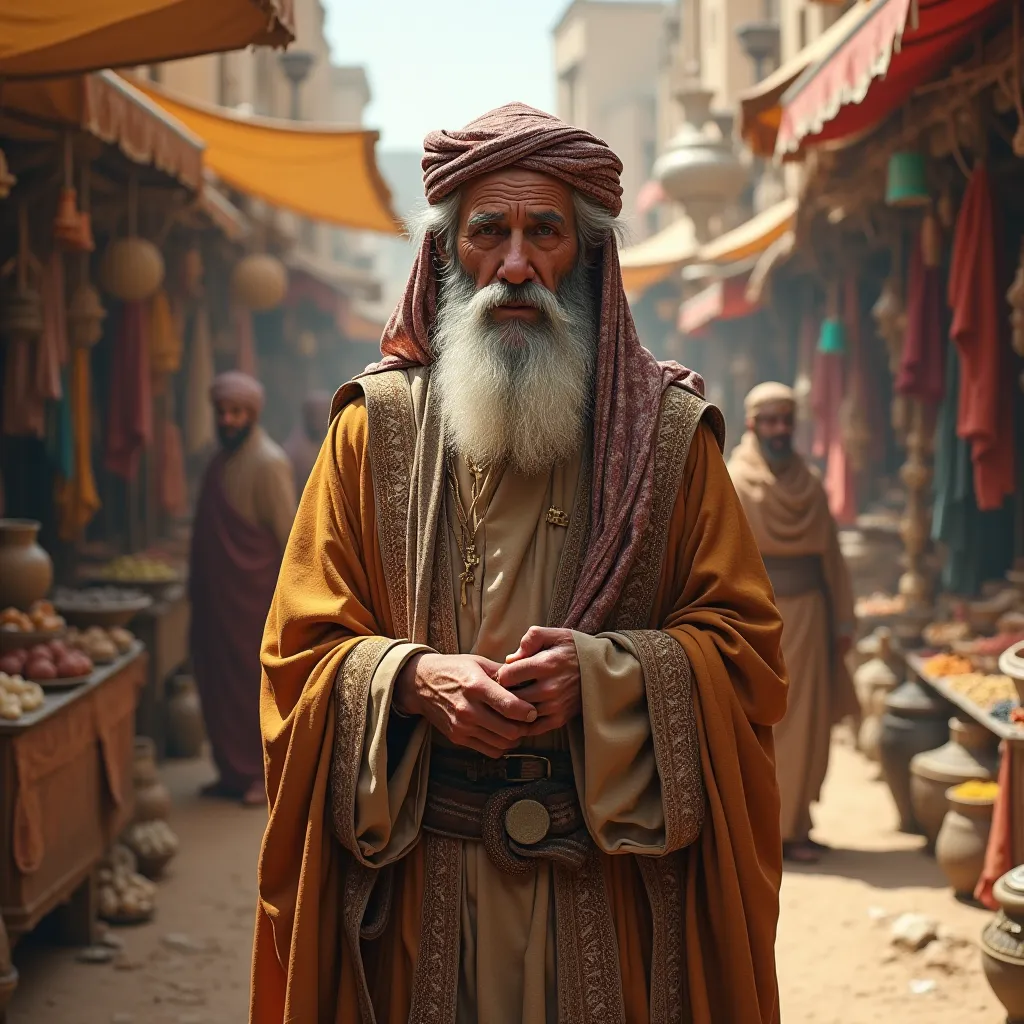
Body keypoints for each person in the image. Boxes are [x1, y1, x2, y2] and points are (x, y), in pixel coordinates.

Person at [252, 104, 788, 1024]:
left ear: (589, 257)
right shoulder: (367, 435)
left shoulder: (669, 442)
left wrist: (607, 677)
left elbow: (747, 656)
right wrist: (411, 677)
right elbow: (299, 653)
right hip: (424, 887)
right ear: (445, 256)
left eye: (545, 232)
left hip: (613, 895)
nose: (514, 265)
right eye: (487, 232)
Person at [728, 382, 858, 864]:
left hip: (813, 617)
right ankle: (766, 832)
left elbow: (832, 558)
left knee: (809, 726)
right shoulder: (735, 481)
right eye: (770, 421)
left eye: (787, 419)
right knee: (769, 724)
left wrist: (844, 618)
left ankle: (797, 824)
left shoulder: (811, 482)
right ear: (752, 425)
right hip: (757, 619)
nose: (780, 430)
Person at [189, 371, 296, 807]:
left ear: (252, 414)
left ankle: (258, 773)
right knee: (217, 682)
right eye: (222, 412)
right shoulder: (218, 461)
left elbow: (290, 537)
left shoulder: (268, 462)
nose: (228, 420)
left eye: (236, 412)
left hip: (253, 601)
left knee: (255, 686)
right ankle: (231, 771)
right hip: (218, 601)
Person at [282, 390, 333, 494]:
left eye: (325, 413)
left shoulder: (328, 440)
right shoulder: (295, 451)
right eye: (317, 414)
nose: (321, 419)